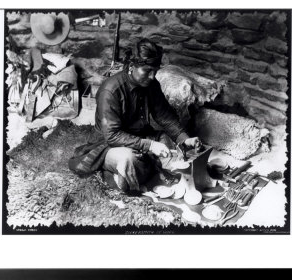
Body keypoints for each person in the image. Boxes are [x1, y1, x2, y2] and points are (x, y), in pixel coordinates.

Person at [69, 39, 201, 192]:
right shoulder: (110, 91)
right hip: (110, 144)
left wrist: (185, 139)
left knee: (168, 141)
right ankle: (115, 174)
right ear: (132, 66)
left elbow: (165, 117)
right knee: (129, 160)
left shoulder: (151, 85)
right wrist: (149, 145)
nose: (152, 76)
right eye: (147, 71)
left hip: (140, 136)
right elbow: (111, 135)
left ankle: (142, 170)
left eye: (155, 71)